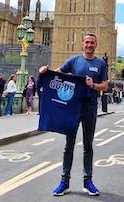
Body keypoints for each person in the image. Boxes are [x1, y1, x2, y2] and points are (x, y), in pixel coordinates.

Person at [38, 32, 108, 197]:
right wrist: (45, 72)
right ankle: (64, 182)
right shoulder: (74, 61)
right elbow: (58, 74)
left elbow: (105, 85)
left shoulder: (100, 64)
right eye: (87, 42)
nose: (89, 45)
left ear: (95, 45)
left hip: (90, 107)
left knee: (88, 145)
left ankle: (88, 181)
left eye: (92, 43)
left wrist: (94, 85)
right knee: (68, 145)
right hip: (72, 109)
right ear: (82, 44)